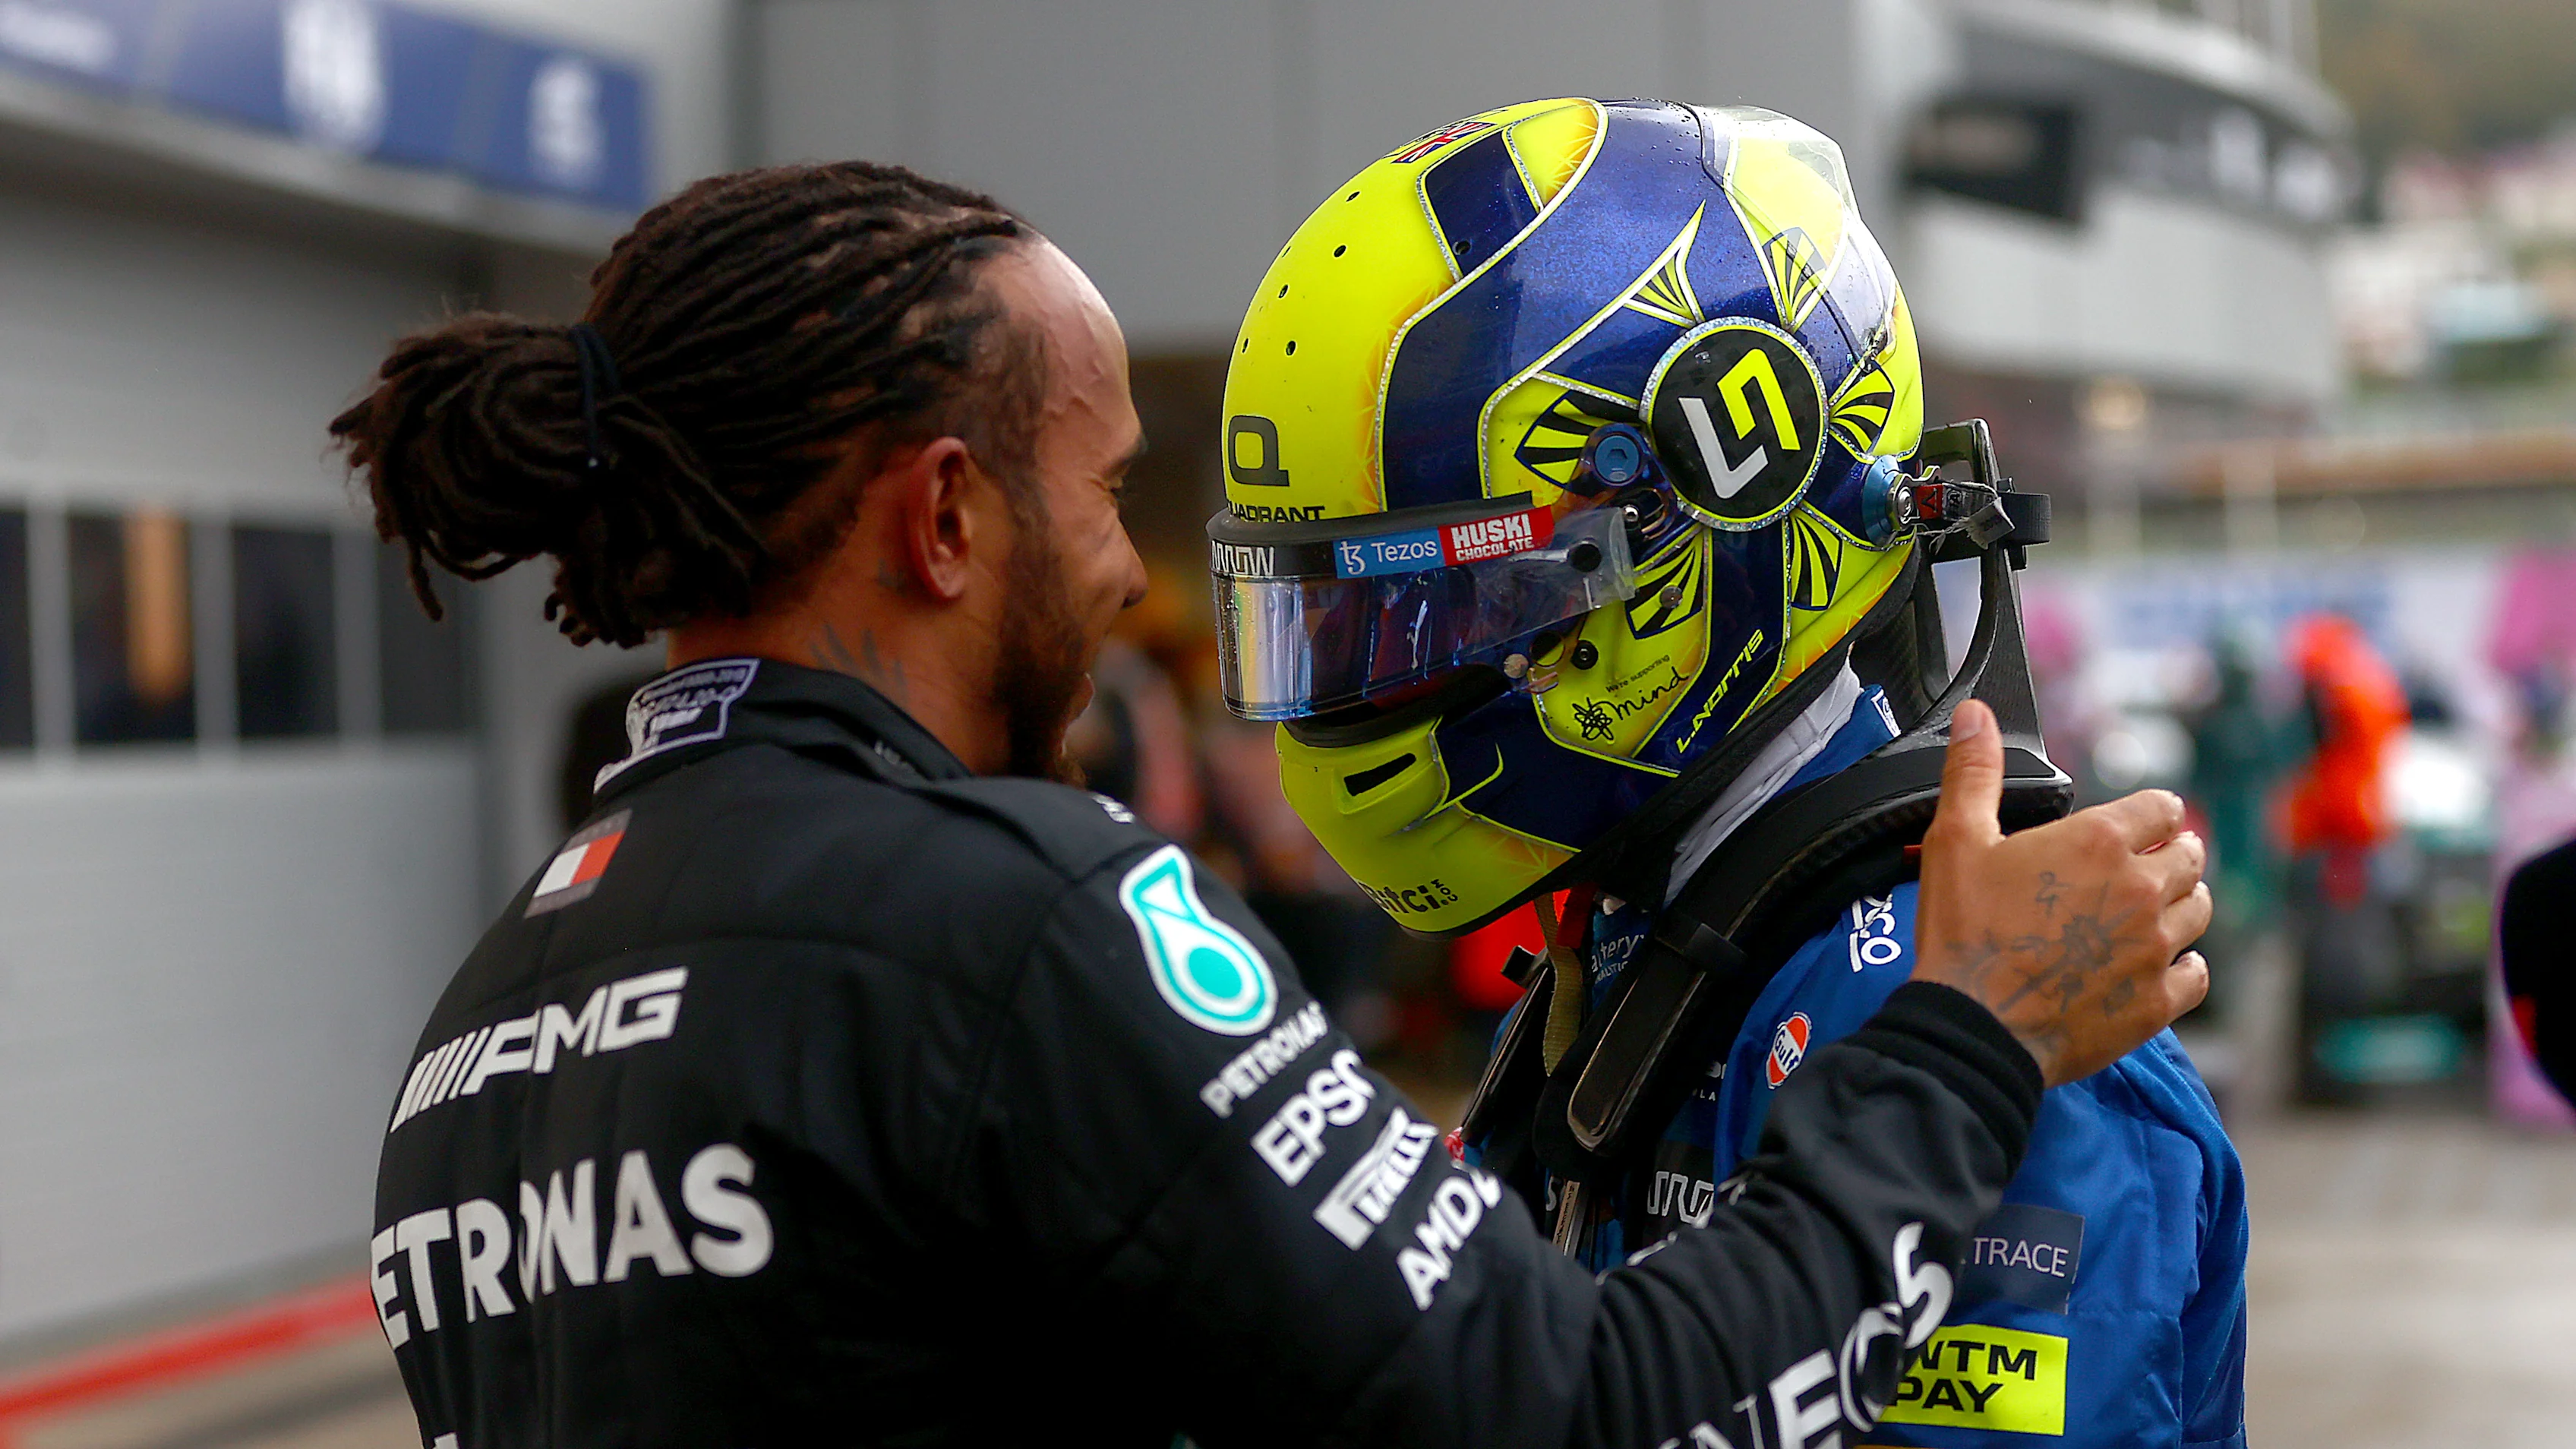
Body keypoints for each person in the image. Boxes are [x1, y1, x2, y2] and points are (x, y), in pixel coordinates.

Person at [342, 159, 2208, 1449]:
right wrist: (1971, 1039)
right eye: (1099, 500)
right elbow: (1574, 1414)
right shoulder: (1015, 923)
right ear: (942, 520)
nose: (1113, 585)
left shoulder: (471, 1045)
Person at [1211, 99, 2241, 1447]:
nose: (1367, 689)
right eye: (1329, 630)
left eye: (1427, 618)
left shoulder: (1997, 1007)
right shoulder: (1664, 932)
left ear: (1692, 529)